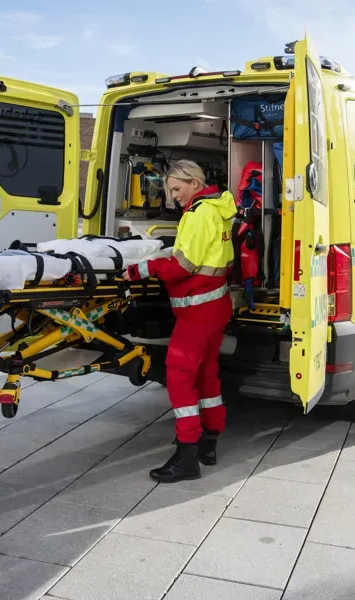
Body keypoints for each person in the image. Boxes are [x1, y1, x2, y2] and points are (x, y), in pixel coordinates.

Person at [123, 160, 236, 483]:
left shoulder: (199, 215)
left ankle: (187, 454)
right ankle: (209, 441)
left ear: (195, 184)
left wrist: (142, 269)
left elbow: (183, 266)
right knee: (206, 373)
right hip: (215, 306)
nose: (173, 197)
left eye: (177, 189)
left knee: (179, 374)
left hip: (197, 312)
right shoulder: (219, 210)